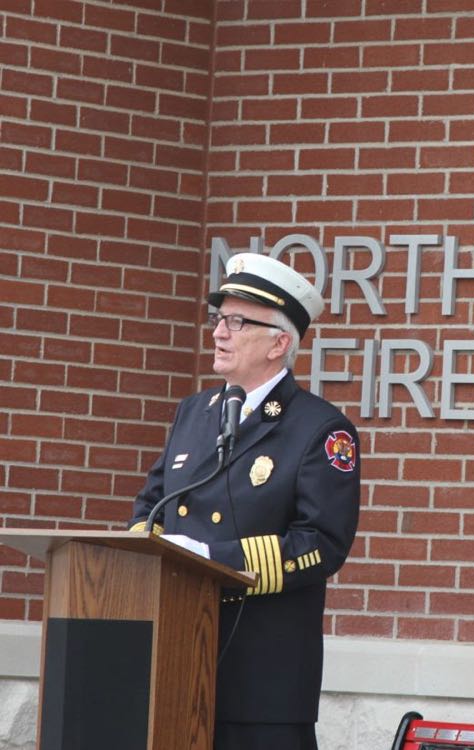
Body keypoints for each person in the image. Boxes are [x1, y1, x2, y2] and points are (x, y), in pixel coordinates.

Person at [129, 253, 361, 750]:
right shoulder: (194, 413)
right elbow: (150, 509)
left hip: (261, 685)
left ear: (279, 343)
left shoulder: (319, 429)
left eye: (237, 322)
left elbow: (322, 543)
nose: (218, 333)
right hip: (174, 663)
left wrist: (214, 560)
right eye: (219, 319)